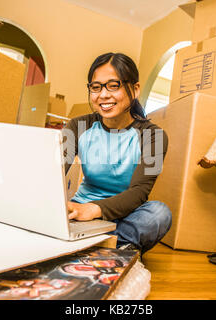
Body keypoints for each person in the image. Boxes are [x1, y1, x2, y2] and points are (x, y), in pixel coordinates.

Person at [62, 52, 171, 256]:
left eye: (113, 85)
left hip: (126, 216)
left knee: (159, 213)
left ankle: (100, 246)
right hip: (82, 210)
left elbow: (139, 192)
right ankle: (111, 248)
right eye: (96, 87)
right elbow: (56, 171)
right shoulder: (78, 126)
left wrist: (94, 210)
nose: (103, 95)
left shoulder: (155, 136)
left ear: (135, 89)